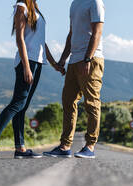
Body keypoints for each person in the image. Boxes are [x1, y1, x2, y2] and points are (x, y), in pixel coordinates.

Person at [0, 0, 64, 160]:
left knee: (23, 106)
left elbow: (40, 41)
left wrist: (54, 63)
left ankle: (20, 148)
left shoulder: (35, 9)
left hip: (37, 61)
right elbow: (20, 39)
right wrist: (26, 67)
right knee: (18, 103)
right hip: (27, 61)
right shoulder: (22, 7)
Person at [43, 0, 105, 159]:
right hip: (74, 60)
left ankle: (90, 146)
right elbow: (72, 33)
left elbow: (97, 32)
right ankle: (65, 146)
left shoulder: (95, 2)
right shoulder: (74, 3)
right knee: (68, 101)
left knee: (91, 102)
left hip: (90, 59)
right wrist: (63, 59)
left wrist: (88, 58)